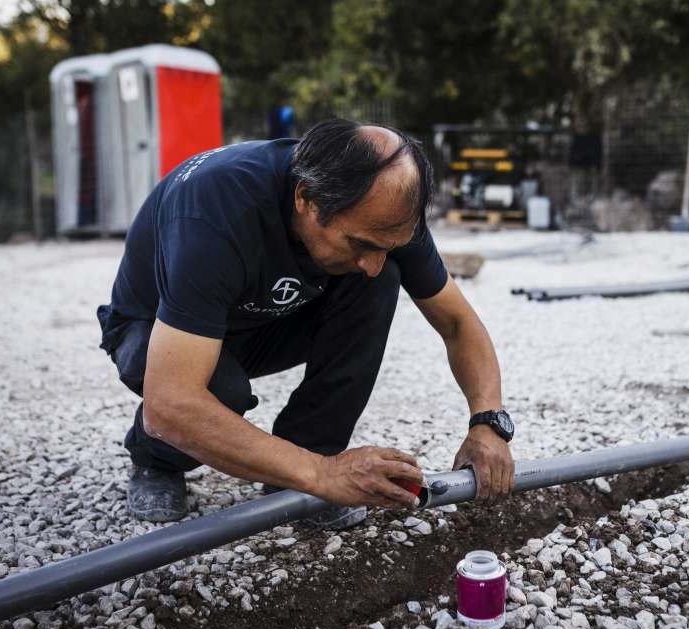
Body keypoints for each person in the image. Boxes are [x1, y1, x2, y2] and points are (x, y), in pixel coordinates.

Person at [96, 119, 516, 526]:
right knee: (217, 392)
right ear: (305, 198)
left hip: (262, 318)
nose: (370, 261)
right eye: (359, 243)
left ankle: (305, 455)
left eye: (387, 245)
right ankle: (155, 461)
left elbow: (458, 323)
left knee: (381, 279)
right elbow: (170, 405)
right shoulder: (215, 213)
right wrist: (323, 475)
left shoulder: (385, 216)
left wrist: (489, 422)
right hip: (154, 330)